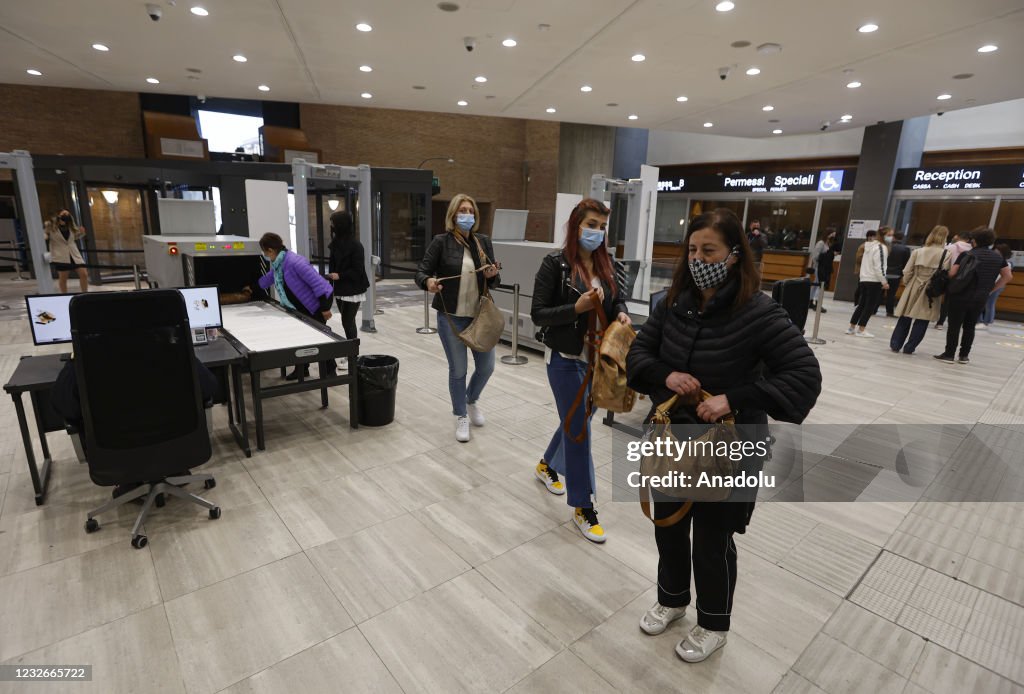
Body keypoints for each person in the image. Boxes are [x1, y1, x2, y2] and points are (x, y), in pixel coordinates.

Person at [626, 208, 821, 663]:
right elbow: (639, 354)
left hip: (728, 449)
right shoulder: (674, 301)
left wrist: (733, 398)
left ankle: (714, 623)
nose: (698, 259)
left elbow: (803, 373)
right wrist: (666, 375)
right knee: (669, 528)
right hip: (673, 440)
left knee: (712, 539)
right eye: (692, 250)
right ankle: (673, 598)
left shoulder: (758, 310)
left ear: (734, 255)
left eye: (708, 250)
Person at [530, 198, 631, 544]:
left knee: (577, 423)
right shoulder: (555, 265)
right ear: (576, 226)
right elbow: (539, 313)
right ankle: (583, 506)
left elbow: (617, 299)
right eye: (591, 225)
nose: (597, 233)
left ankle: (547, 465)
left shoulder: (608, 264)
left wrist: (621, 313)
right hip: (564, 359)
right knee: (579, 432)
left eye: (602, 227)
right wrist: (577, 306)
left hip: (599, 361)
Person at [415, 194, 501, 442]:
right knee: (459, 370)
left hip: (479, 316)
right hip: (451, 317)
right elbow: (422, 271)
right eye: (462, 211)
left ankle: (471, 399)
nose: (467, 215)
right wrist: (428, 281)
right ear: (453, 215)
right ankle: (461, 415)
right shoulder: (441, 242)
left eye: (471, 211)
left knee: (487, 367)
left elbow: (493, 281)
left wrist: (493, 274)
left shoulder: (482, 241)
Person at [248, 232, 335, 380]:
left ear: (270, 250)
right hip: (299, 308)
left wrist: (325, 308)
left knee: (319, 340)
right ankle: (302, 369)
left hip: (315, 306)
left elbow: (318, 284)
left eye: (264, 251)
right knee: (301, 340)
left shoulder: (295, 262)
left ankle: (330, 371)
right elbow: (269, 278)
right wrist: (253, 287)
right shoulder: (279, 263)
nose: (264, 255)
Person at [934, 228, 1012, 364]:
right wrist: (991, 290)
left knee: (954, 326)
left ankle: (949, 354)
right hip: (980, 297)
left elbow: (952, 273)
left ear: (974, 240)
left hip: (960, 294)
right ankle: (964, 356)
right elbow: (1007, 276)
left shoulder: (966, 254)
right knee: (969, 327)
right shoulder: (998, 258)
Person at [889, 226, 950, 355]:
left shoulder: (918, 251)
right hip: (931, 290)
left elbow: (907, 271)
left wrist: (908, 283)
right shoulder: (946, 254)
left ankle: (895, 344)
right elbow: (945, 274)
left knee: (905, 316)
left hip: (913, 285)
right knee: (922, 319)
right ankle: (909, 348)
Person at [326, 210, 370, 365]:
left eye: (333, 222)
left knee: (347, 321)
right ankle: (350, 353)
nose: (331, 225)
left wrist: (340, 275)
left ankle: (353, 356)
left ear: (340, 224)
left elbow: (358, 270)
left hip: (353, 289)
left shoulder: (356, 245)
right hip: (340, 288)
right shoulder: (336, 242)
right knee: (346, 321)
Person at [847, 229, 888, 337]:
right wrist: (884, 281)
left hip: (864, 278)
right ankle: (861, 329)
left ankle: (851, 328)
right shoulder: (881, 247)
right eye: (890, 235)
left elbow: (863, 263)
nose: (891, 238)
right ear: (884, 236)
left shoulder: (867, 246)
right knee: (869, 306)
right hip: (874, 279)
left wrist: (862, 277)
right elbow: (880, 266)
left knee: (861, 304)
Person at [44, 210, 89, 293]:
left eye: (67, 214)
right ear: (59, 215)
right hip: (60, 255)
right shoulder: (51, 226)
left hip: (74, 255)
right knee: (63, 278)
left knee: (84, 274)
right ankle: (64, 296)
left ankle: (84, 294)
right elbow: (45, 235)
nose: (65, 215)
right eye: (63, 213)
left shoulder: (71, 226)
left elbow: (73, 238)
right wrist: (45, 236)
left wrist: (82, 233)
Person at [935, 230, 972, 329]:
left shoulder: (950, 247)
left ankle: (940, 322)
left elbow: (941, 260)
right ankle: (957, 323)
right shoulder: (972, 250)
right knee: (956, 301)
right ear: (968, 240)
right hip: (963, 278)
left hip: (948, 275)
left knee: (943, 299)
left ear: (958, 236)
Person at [979, 243, 1013, 329]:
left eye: (997, 252)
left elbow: (1002, 276)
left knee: (989, 303)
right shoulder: (1004, 262)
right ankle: (985, 321)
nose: (995, 253)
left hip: (996, 285)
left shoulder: (1005, 263)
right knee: (987, 303)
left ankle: (987, 322)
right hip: (996, 284)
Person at [807, 228, 836, 313]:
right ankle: (816, 303)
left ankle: (811, 301)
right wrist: (818, 264)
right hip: (819, 268)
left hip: (824, 268)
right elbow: (815, 256)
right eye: (832, 234)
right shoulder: (821, 243)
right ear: (828, 234)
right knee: (819, 285)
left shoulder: (828, 244)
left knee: (816, 285)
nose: (833, 236)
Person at [884, 230, 912, 317]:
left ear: (894, 237)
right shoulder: (905, 249)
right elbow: (906, 263)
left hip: (884, 273)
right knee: (891, 294)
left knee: (879, 292)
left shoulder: (886, 247)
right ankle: (889, 311)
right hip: (896, 274)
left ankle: (873, 309)